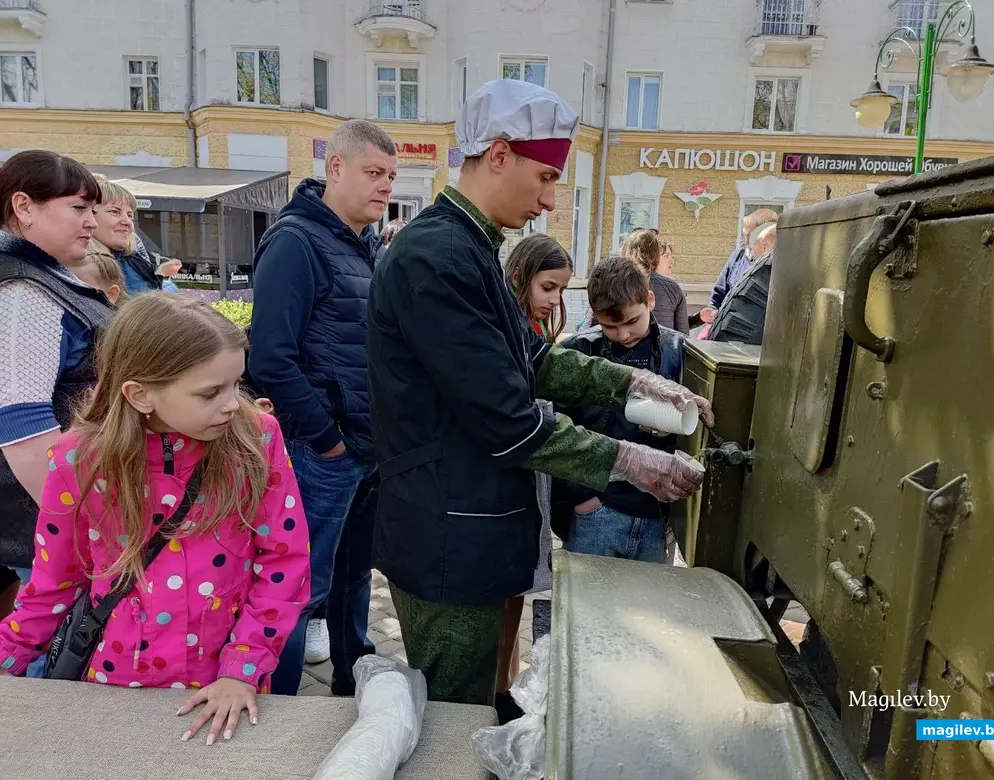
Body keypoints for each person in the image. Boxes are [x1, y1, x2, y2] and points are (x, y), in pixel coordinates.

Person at [367, 79, 713, 707]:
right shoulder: (438, 256)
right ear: (497, 154)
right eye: (547, 176)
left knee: (473, 701)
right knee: (452, 714)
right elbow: (509, 420)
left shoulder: (467, 246)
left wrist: (638, 380)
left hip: (468, 528)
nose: (551, 200)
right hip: (449, 536)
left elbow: (533, 361)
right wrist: (632, 461)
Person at [0, 294, 309, 744]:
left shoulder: (256, 439)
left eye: (235, 384)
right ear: (140, 393)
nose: (232, 405)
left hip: (224, 686)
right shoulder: (78, 461)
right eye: (210, 392)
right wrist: (7, 657)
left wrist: (243, 667)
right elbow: (53, 584)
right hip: (115, 687)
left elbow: (285, 560)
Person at [248, 118, 394, 696]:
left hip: (361, 446)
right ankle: (278, 702)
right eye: (373, 173)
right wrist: (326, 437)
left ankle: (350, 676)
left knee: (355, 573)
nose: (385, 186)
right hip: (320, 450)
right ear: (336, 169)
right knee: (298, 583)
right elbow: (270, 357)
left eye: (390, 176)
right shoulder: (296, 241)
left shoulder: (361, 246)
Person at [0, 151, 114, 613]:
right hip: (38, 521)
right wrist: (81, 526)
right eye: (77, 207)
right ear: (24, 206)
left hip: (37, 517)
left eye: (93, 208)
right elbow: (21, 424)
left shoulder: (40, 277)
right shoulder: (25, 291)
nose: (91, 221)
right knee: (53, 653)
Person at [552, 257, 686, 564]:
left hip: (654, 516)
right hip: (594, 510)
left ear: (650, 300)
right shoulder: (578, 352)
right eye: (610, 326)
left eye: (630, 322)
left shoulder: (679, 353)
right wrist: (582, 499)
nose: (623, 335)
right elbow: (556, 431)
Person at [498, 234, 571, 713]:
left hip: (535, 474)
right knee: (508, 588)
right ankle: (499, 684)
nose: (554, 300)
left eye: (562, 292)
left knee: (523, 585)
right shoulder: (509, 329)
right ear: (521, 277)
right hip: (514, 472)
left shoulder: (536, 330)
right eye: (548, 287)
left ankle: (507, 670)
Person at [699, 208, 778, 327]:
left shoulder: (782, 265)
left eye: (750, 236)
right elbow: (718, 295)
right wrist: (711, 317)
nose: (746, 241)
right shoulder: (738, 257)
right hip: (727, 331)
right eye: (744, 235)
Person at [88, 176, 164, 295]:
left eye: (130, 215)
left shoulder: (134, 260)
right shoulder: (81, 269)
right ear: (88, 216)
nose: (127, 221)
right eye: (114, 212)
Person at [622, 228, 688, 334]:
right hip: (662, 348)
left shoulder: (611, 282)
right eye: (665, 256)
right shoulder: (673, 288)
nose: (671, 261)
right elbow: (683, 337)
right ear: (656, 255)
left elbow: (591, 330)